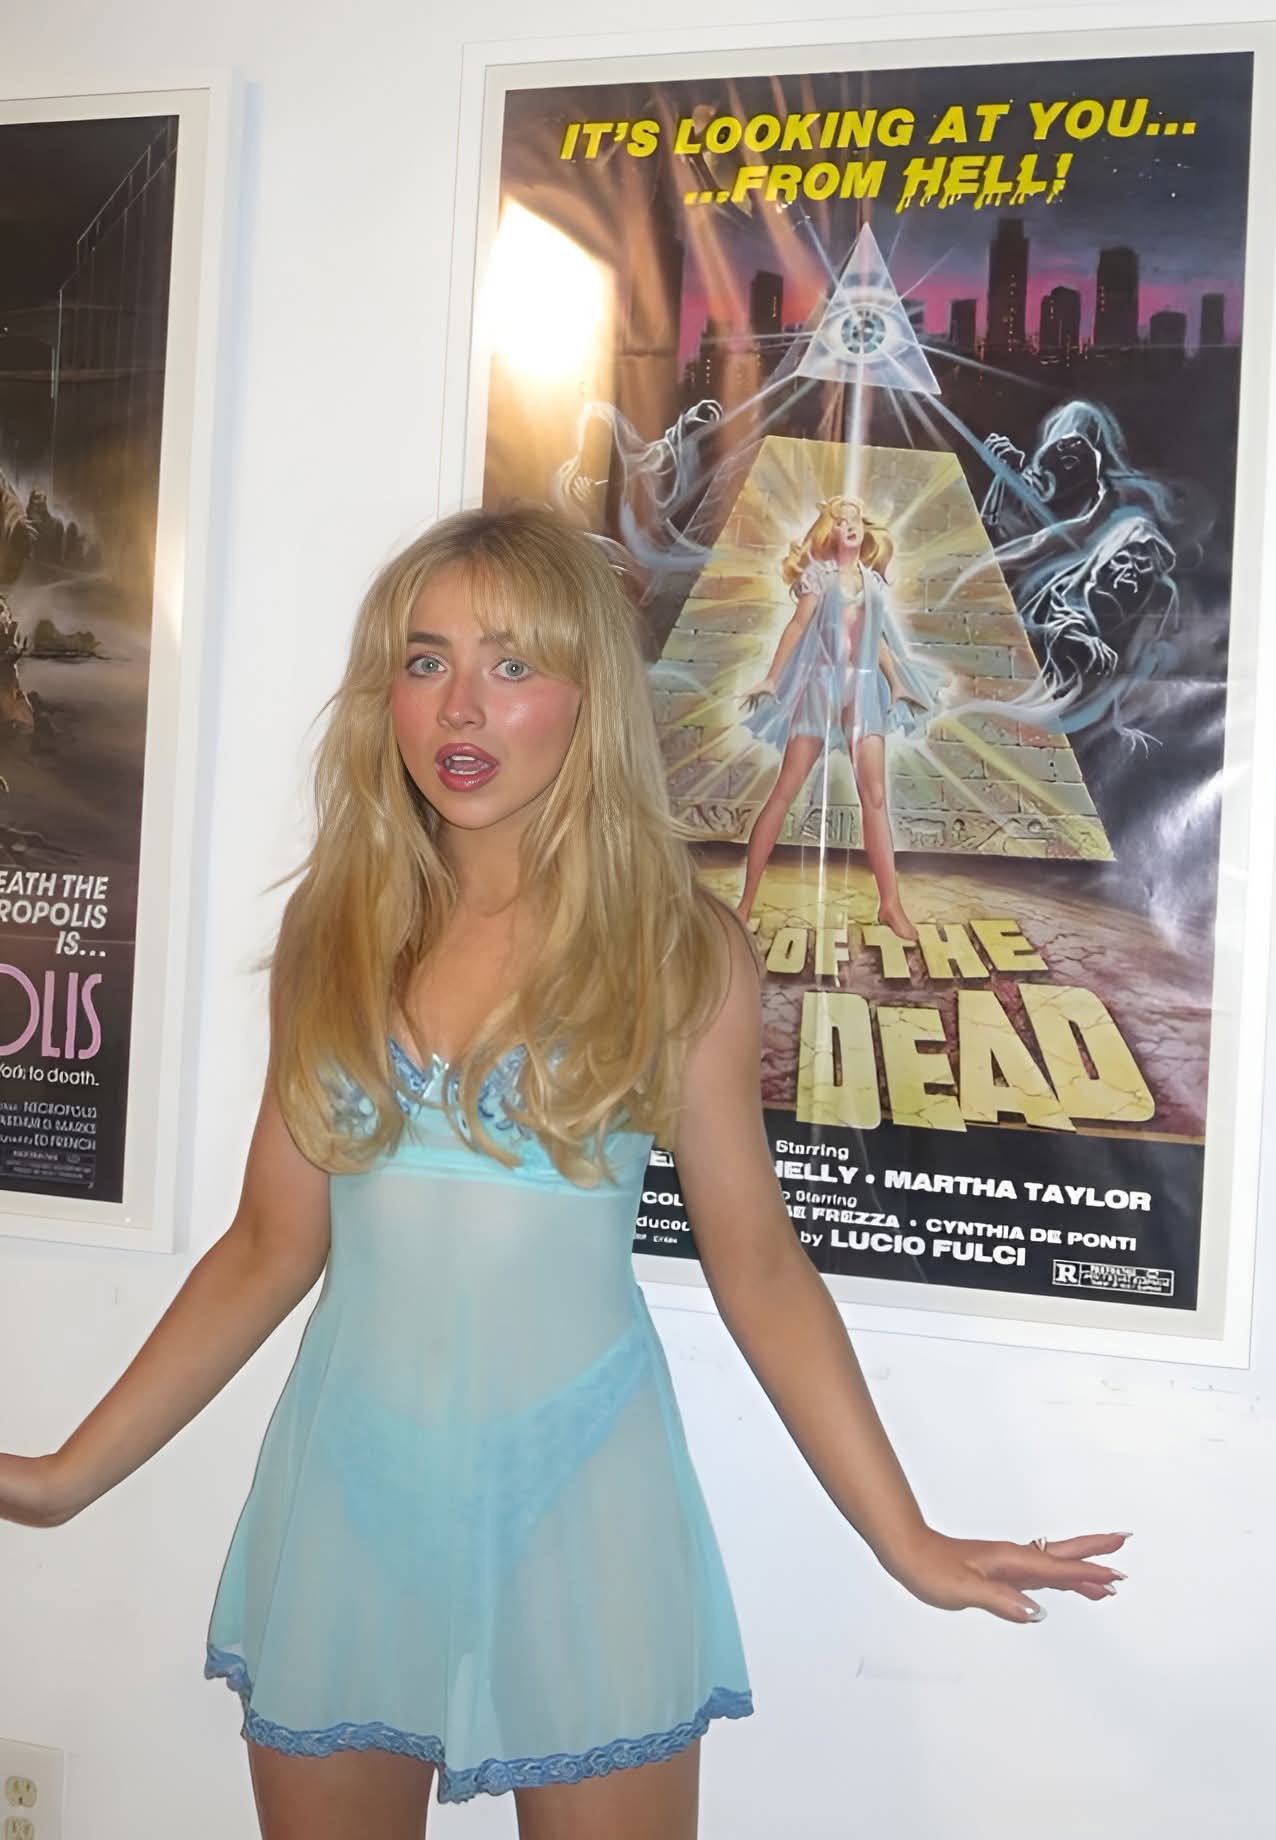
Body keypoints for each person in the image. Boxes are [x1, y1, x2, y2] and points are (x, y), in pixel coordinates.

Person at [0, 508, 1129, 1840]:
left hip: (582, 1501)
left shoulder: (676, 946)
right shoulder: (334, 929)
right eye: (425, 661)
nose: (459, 707)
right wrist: (61, 1478)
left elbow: (760, 1269)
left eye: (512, 664)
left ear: (589, 695)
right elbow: (268, 1245)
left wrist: (906, 1537)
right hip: (349, 1497)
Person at [736, 496, 941, 943]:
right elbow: (797, 627)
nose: (850, 526)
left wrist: (896, 683)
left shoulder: (872, 581)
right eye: (841, 520)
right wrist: (772, 677)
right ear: (829, 531)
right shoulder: (820, 577)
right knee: (785, 789)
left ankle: (890, 904)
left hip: (862, 687)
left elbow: (876, 639)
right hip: (822, 685)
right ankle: (746, 901)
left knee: (876, 795)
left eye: (856, 520)